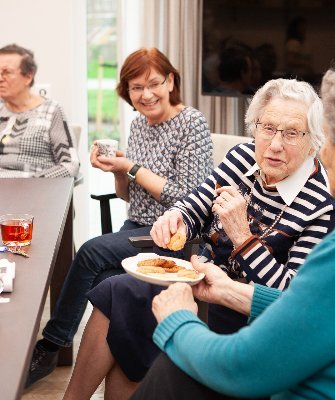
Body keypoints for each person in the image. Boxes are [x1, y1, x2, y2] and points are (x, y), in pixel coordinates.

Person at [130, 54, 335, 400]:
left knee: (173, 369)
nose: (321, 154)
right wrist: (231, 291)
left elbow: (243, 368)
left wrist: (178, 320)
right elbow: (309, 311)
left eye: (326, 137)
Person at [62, 78, 335, 399]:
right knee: (117, 291)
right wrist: (178, 217)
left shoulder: (324, 204)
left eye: (292, 133)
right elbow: (198, 202)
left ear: (314, 141)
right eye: (267, 128)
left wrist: (243, 237)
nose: (275, 144)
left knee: (129, 316)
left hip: (251, 321)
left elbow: (292, 300)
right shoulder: (243, 157)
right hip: (202, 288)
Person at [25, 47, 213, 388]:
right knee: (107, 282)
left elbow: (188, 196)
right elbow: (130, 195)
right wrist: (117, 172)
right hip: (136, 228)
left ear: (170, 81)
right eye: (136, 88)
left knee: (91, 251)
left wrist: (131, 166)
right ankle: (126, 368)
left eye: (153, 83)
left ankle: (51, 344)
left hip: (174, 235)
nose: (146, 94)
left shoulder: (192, 123)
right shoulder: (139, 124)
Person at [0, 43, 79, 178]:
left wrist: (36, 182)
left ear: (28, 77)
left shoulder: (51, 110)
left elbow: (70, 165)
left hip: (34, 191)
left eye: (6, 72)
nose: (0, 78)